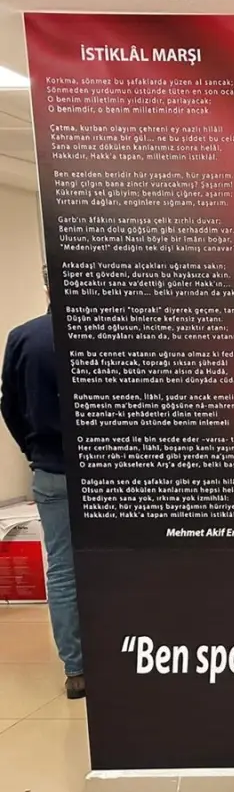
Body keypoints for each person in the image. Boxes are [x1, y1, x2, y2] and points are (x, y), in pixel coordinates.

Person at [1, 268, 84, 699]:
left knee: (64, 570)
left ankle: (77, 669)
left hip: (51, 471)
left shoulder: (23, 338)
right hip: (106, 474)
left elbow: (10, 406)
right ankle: (128, 651)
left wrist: (33, 450)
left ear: (48, 286)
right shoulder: (101, 337)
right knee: (119, 563)